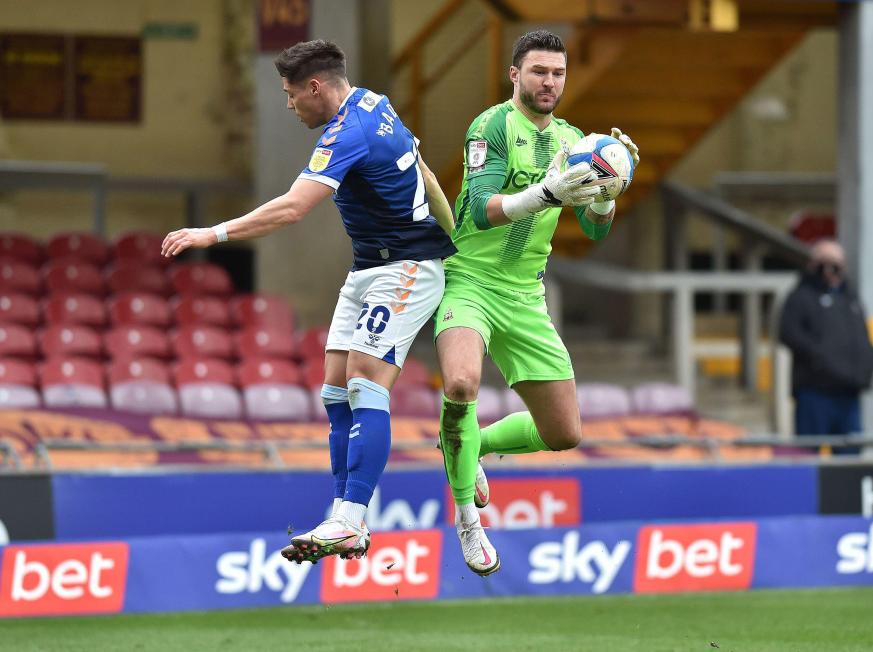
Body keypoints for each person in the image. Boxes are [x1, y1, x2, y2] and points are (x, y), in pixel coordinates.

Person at [161, 39, 456, 562]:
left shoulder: (350, 130)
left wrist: (214, 233)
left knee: (365, 376)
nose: (289, 104)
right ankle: (343, 517)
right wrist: (454, 235)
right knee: (335, 388)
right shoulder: (375, 102)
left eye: (291, 93)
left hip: (406, 265)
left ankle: (351, 518)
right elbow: (426, 173)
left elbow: (294, 208)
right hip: (369, 266)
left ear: (316, 87)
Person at [434, 29, 640, 575]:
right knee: (460, 384)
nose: (550, 82)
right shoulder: (491, 125)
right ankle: (467, 520)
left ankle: (469, 448)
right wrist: (547, 193)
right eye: (539, 72)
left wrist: (607, 197)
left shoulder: (576, 141)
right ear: (515, 75)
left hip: (526, 295)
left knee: (565, 433)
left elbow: (595, 233)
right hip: (469, 280)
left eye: (558, 73)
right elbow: (480, 210)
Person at [778, 239, 873, 454]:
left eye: (837, 264)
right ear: (813, 265)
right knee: (808, 458)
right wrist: (821, 358)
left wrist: (872, 357)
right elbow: (789, 334)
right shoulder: (800, 297)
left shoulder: (850, 299)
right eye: (826, 263)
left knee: (850, 462)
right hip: (815, 393)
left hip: (849, 393)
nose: (832, 270)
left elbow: (861, 336)